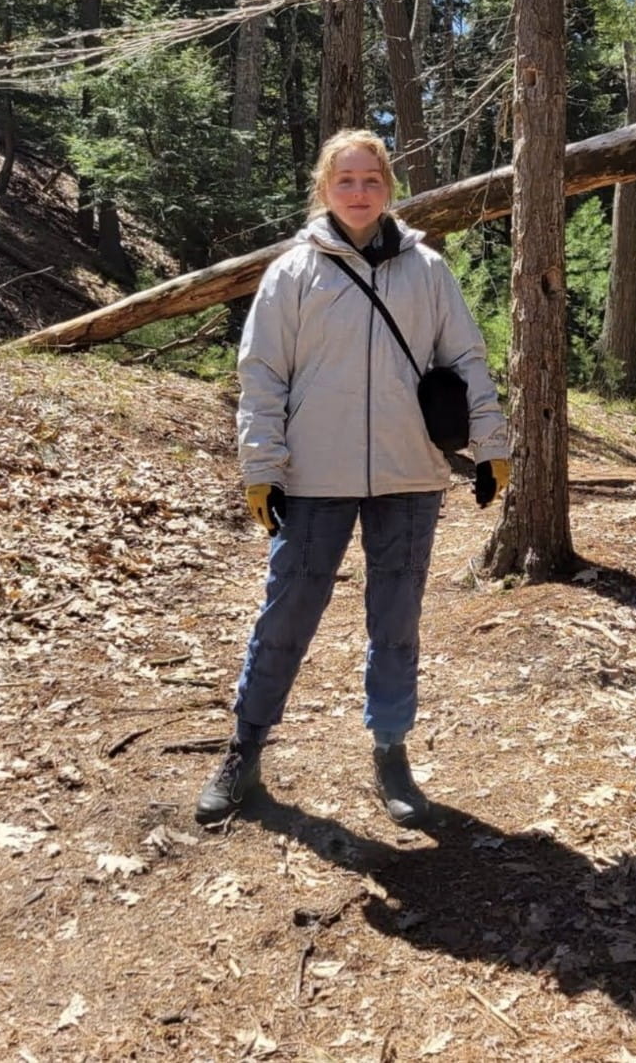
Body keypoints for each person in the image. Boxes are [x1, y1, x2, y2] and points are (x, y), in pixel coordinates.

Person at [195, 128, 510, 829]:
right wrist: (262, 469)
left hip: (408, 474)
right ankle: (243, 750)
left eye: (371, 180)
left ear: (388, 187)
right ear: (323, 187)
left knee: (395, 622)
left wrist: (490, 445)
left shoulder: (427, 269)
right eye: (346, 181)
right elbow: (262, 377)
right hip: (313, 476)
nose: (359, 192)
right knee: (286, 617)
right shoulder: (292, 273)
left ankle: (391, 750)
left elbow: (464, 359)